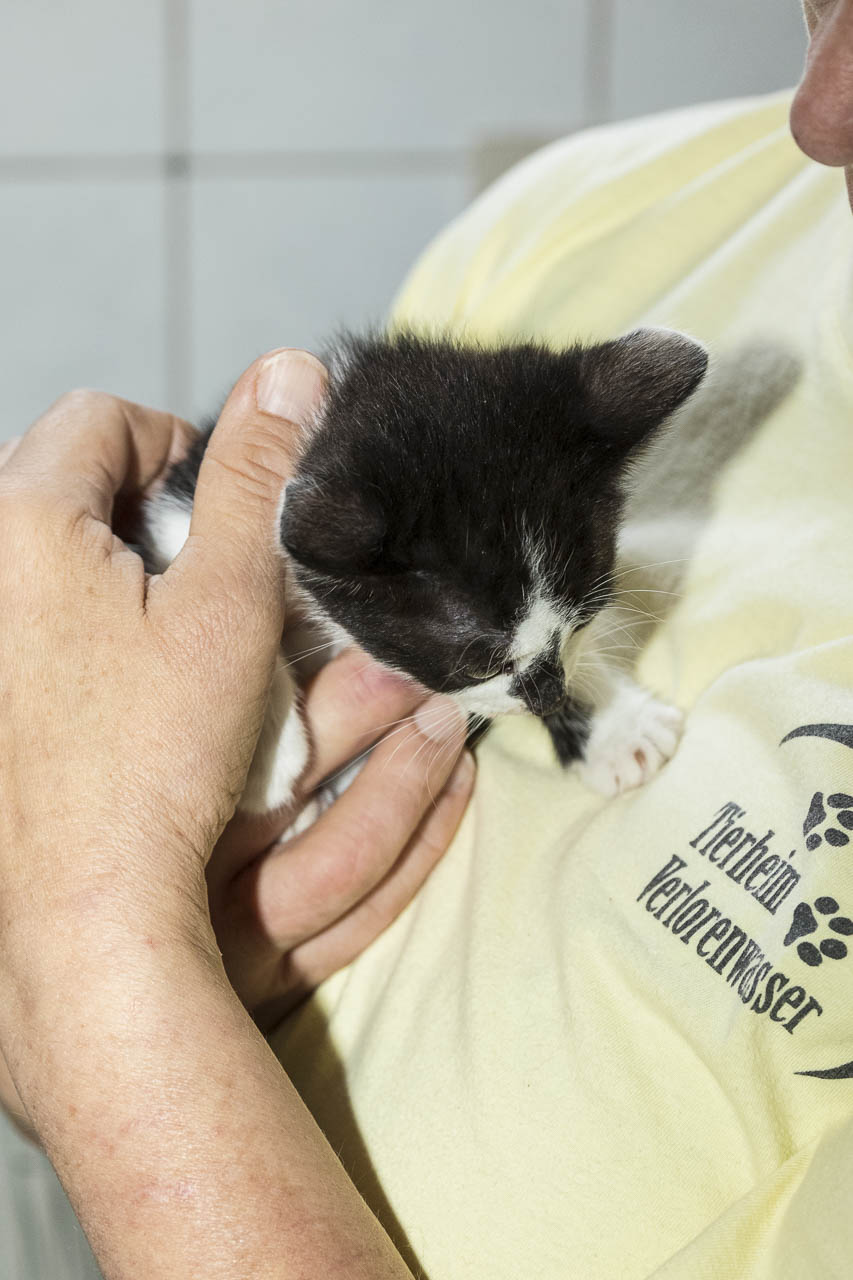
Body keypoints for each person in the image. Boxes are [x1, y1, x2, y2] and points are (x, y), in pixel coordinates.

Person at [2, 3, 853, 1276]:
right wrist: (129, 993)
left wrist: (80, 962)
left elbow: (64, 971)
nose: (822, 106)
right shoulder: (577, 210)